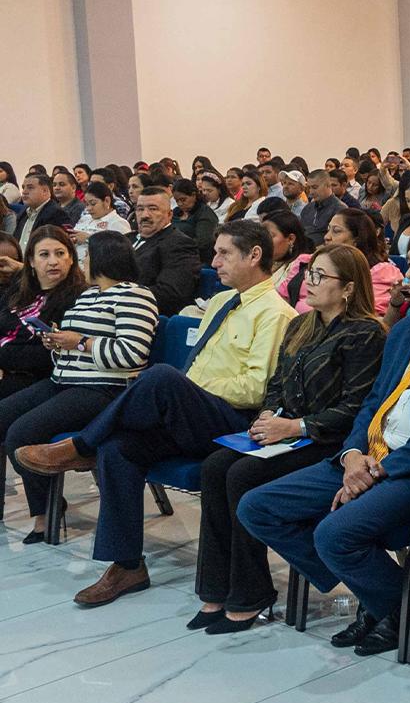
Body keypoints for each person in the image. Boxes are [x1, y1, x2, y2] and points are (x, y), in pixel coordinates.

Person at [237, 230, 410, 656]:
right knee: (257, 507)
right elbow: (373, 401)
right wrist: (352, 456)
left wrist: (381, 468)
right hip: (368, 455)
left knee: (333, 535)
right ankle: (389, 598)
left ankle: (392, 605)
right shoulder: (405, 329)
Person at [16, 221, 297, 606]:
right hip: (194, 412)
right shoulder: (221, 301)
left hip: (234, 421)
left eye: (223, 253)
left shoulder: (276, 314)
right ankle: (127, 565)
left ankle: (81, 445)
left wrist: (189, 390)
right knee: (118, 448)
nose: (213, 262)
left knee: (162, 377)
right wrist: (185, 391)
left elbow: (256, 388)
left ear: (254, 256)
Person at [192, 245, 386, 634]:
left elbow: (357, 407)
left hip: (328, 441)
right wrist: (268, 416)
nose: (307, 283)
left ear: (348, 288)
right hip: (288, 434)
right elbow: (277, 385)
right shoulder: (301, 325)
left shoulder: (366, 334)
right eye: (308, 273)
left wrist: (296, 427)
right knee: (214, 467)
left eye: (319, 276)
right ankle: (216, 590)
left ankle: (250, 593)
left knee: (242, 476)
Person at [1, 232, 156, 545]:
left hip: (103, 388)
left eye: (85, 256)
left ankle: (46, 511)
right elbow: (72, 346)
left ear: (102, 259)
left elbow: (132, 354)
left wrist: (81, 343)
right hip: (63, 379)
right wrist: (56, 344)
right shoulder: (88, 296)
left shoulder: (136, 296)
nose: (81, 262)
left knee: (21, 433)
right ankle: (48, 503)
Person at [0, 226, 88, 406]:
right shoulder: (20, 288)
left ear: (71, 258)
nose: (53, 261)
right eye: (44, 255)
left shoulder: (79, 298)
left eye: (60, 253)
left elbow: (48, 355)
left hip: (34, 379)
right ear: (31, 261)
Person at [278, 208, 401, 316]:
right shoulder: (306, 261)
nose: (327, 237)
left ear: (357, 239)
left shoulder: (379, 272)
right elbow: (281, 298)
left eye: (336, 231)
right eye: (328, 230)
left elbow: (370, 316)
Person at [130, 187, 202, 315]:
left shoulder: (179, 244)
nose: (145, 215)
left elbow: (171, 293)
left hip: (143, 312)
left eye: (153, 209)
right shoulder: (126, 239)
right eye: (140, 209)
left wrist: (121, 294)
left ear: (169, 214)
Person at [14, 174, 71, 248]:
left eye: (30, 188)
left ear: (45, 191)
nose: (24, 192)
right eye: (23, 187)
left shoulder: (57, 214)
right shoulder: (23, 212)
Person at [171, 179, 220, 265]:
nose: (180, 204)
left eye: (183, 200)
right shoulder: (176, 212)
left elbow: (203, 242)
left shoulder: (205, 214)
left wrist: (177, 246)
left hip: (197, 260)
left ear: (193, 195)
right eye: (177, 201)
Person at [299, 170, 346, 241]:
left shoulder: (340, 210)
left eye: (315, 187)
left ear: (328, 185)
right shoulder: (307, 208)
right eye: (309, 188)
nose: (311, 192)